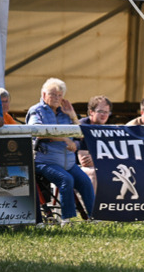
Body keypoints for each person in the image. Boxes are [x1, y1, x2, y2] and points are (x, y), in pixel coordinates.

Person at [26, 78, 95, 223]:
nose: (57, 98)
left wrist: (72, 115)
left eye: (59, 95)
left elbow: (80, 134)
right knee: (66, 179)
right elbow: (37, 131)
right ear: (44, 95)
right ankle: (67, 219)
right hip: (44, 160)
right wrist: (65, 139)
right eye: (53, 94)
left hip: (68, 162)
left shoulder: (65, 111)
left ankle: (95, 217)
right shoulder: (36, 110)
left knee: (85, 181)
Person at [77, 95, 113, 194]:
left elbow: (115, 157)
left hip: (99, 165)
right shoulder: (81, 126)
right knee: (95, 173)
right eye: (100, 111)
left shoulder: (107, 130)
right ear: (91, 112)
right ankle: (92, 209)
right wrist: (104, 158)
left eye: (107, 112)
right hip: (75, 168)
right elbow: (84, 161)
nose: (104, 115)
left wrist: (97, 158)